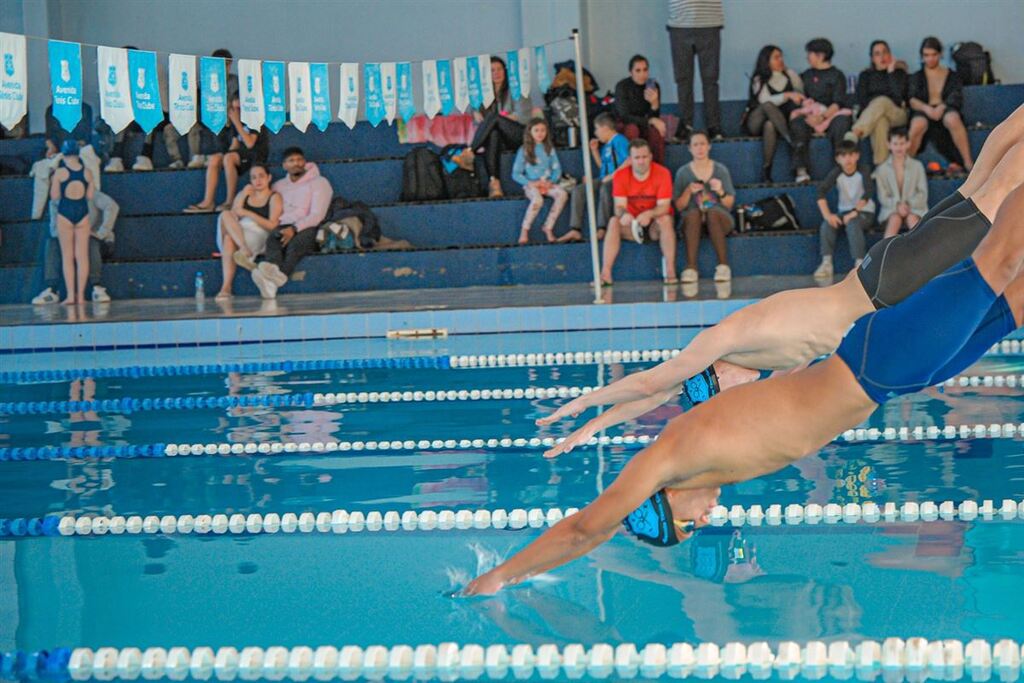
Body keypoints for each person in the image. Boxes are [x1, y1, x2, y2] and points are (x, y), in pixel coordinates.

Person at [463, 183, 1024, 595]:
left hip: (878, 361)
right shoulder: (702, 466)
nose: (703, 521)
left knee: (997, 260)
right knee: (1010, 307)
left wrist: (497, 578)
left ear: (660, 501)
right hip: (898, 375)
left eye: (686, 524)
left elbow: (587, 528)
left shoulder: (671, 458)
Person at [535, 104, 1024, 459]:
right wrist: (588, 429)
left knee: (994, 192)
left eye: (724, 392)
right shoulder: (755, 363)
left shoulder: (729, 337)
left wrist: (580, 404)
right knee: (977, 185)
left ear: (717, 376)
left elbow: (654, 379)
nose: (741, 394)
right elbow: (655, 397)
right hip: (883, 278)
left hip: (885, 284)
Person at [251, 147, 333, 299]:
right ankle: (271, 280)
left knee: (295, 245)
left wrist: (294, 229)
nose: (296, 163)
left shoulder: (319, 182)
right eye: (291, 160)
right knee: (273, 240)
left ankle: (273, 280)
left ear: (304, 162)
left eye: (299, 159)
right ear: (284, 165)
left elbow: (317, 215)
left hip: (310, 226)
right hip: (283, 225)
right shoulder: (278, 186)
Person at [600, 139, 677, 286]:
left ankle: (670, 270)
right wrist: (624, 214)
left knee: (665, 220)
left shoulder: (662, 173)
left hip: (655, 224)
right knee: (613, 222)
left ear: (651, 157)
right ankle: (605, 273)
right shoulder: (621, 175)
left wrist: (649, 214)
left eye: (644, 157)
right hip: (632, 225)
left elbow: (664, 207)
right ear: (630, 159)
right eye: (637, 158)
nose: (641, 161)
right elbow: (619, 207)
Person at [183, 96, 269, 213]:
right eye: (234, 109)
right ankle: (208, 202)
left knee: (229, 158)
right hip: (240, 155)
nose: (236, 112)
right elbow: (234, 145)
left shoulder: (254, 120)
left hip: (256, 155)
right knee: (215, 158)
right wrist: (221, 157)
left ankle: (230, 201)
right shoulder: (236, 122)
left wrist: (237, 122)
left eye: (239, 108)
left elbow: (250, 144)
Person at [32, 192, 119, 304]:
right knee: (53, 243)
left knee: (89, 241)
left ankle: (97, 288)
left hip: (98, 241)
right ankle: (51, 290)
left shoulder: (93, 195)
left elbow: (112, 207)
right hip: (71, 243)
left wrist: (102, 232)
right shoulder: (57, 200)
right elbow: (54, 229)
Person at [672, 131, 736, 283]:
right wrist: (688, 191)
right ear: (689, 148)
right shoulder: (683, 173)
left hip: (719, 218)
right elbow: (679, 207)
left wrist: (720, 191)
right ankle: (691, 267)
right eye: (695, 144)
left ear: (709, 146)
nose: (699, 148)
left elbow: (729, 204)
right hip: (692, 219)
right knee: (693, 214)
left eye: (702, 144)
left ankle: (723, 265)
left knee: (713, 213)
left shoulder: (720, 170)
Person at [214, 163, 282, 300]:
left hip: (258, 233)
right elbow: (234, 214)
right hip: (239, 231)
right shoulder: (245, 194)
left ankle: (226, 287)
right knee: (226, 214)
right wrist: (243, 195)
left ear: (269, 178)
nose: (257, 180)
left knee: (229, 240)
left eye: (261, 176)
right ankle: (243, 249)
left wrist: (249, 213)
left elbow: (272, 225)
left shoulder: (275, 197)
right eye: (254, 177)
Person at [470, 56, 534, 198]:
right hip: (501, 139)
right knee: (493, 134)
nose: (496, 73)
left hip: (519, 134)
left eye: (499, 69)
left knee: (493, 118)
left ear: (505, 72)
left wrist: (502, 118)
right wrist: (475, 112)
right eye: (492, 70)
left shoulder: (517, 90)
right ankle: (495, 183)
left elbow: (524, 117)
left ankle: (470, 151)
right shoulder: (483, 96)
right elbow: (480, 126)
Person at [790, 38, 852, 184]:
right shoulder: (806, 75)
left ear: (820, 55)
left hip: (831, 115)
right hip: (811, 115)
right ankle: (801, 170)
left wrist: (823, 117)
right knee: (797, 123)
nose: (807, 57)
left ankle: (841, 168)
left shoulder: (837, 75)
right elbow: (801, 100)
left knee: (842, 123)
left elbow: (838, 102)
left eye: (810, 54)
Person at [908, 36, 973, 172]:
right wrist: (927, 109)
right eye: (926, 55)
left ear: (940, 54)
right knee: (918, 123)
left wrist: (942, 107)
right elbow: (912, 100)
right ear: (922, 56)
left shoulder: (951, 75)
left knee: (953, 119)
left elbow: (955, 95)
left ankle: (968, 162)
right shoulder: (917, 77)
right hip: (924, 110)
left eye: (934, 55)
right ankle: (907, 164)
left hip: (945, 108)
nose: (930, 59)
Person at [814, 140, 875, 279]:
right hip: (845, 212)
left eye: (851, 155)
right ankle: (826, 263)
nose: (848, 159)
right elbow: (821, 192)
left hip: (865, 211)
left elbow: (869, 191)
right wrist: (827, 215)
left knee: (853, 224)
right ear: (837, 159)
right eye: (843, 155)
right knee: (827, 225)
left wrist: (855, 211)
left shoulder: (863, 170)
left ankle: (859, 264)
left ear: (857, 156)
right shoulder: (837, 173)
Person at [743, 45, 804, 183]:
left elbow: (801, 95)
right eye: (776, 57)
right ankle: (790, 140)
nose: (780, 60)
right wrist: (787, 95)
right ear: (766, 60)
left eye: (781, 57)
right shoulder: (759, 78)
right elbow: (764, 100)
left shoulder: (790, 75)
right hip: (756, 120)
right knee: (767, 106)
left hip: (777, 122)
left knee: (770, 125)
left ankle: (767, 169)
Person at [666, 0, 724, 141]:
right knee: (683, 80)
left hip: (710, 22)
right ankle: (686, 125)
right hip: (680, 24)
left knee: (710, 79)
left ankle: (714, 126)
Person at [568, 112, 630, 242]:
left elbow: (629, 160)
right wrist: (595, 151)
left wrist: (613, 175)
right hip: (604, 177)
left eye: (597, 129)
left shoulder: (620, 140)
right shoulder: (606, 146)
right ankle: (575, 229)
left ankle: (602, 228)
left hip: (619, 180)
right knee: (579, 190)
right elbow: (602, 166)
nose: (596, 133)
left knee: (605, 187)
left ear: (605, 128)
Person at [846, 40, 909, 165]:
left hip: (897, 114)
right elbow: (862, 101)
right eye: (877, 54)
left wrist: (891, 73)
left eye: (885, 52)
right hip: (876, 115)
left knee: (882, 101)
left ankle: (855, 133)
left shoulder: (899, 74)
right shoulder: (866, 75)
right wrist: (877, 106)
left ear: (890, 55)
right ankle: (882, 167)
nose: (882, 57)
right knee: (881, 122)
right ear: (872, 58)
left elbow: (898, 99)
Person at [49, 140, 95, 305]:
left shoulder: (60, 173)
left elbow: (54, 197)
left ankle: (70, 296)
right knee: (82, 257)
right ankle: (81, 296)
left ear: (63, 153)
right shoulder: (87, 172)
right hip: (82, 214)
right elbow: (90, 197)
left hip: (65, 214)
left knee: (67, 257)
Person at [512, 118, 568, 244]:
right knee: (537, 200)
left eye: (543, 130)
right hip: (531, 185)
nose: (540, 133)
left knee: (562, 194)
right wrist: (530, 183)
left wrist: (550, 182)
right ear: (530, 132)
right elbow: (516, 173)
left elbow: (556, 169)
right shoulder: (524, 150)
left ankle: (548, 227)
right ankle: (525, 229)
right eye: (536, 130)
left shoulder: (549, 149)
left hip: (547, 183)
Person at [874, 128, 929, 237]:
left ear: (908, 144)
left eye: (902, 143)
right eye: (895, 144)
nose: (899, 147)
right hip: (891, 210)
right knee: (895, 218)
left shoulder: (917, 166)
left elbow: (923, 193)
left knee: (912, 218)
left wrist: (908, 204)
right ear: (888, 144)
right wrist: (897, 205)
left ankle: (922, 251)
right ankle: (886, 252)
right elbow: (883, 197)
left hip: (915, 208)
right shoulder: (882, 169)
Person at [614, 55, 667, 164]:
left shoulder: (652, 86)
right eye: (638, 70)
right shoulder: (622, 86)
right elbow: (624, 116)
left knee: (656, 131)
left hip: (643, 123)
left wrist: (654, 104)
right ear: (631, 72)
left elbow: (654, 116)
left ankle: (657, 167)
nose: (642, 74)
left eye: (645, 70)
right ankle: (633, 165)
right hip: (625, 123)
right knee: (632, 129)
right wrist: (650, 120)